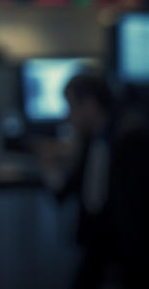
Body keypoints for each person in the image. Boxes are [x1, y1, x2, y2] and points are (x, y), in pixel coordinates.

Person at [38, 73, 149, 289]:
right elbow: (66, 192)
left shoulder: (130, 140)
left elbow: (137, 210)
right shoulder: (91, 140)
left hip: (125, 249)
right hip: (96, 243)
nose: (68, 117)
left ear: (88, 105)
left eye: (71, 107)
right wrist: (50, 166)